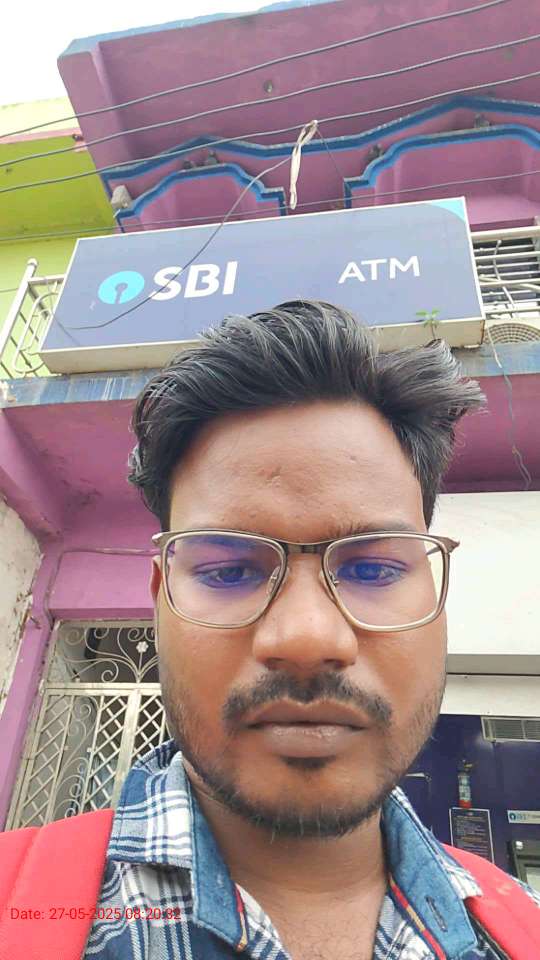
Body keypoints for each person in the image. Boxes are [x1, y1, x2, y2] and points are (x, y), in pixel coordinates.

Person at [3, 301, 539, 960]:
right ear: (160, 599)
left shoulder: (522, 930)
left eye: (373, 568)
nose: (308, 639)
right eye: (229, 570)